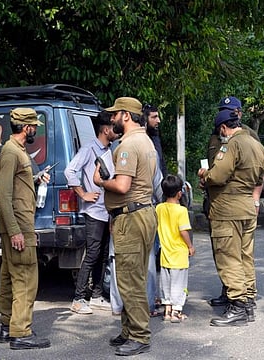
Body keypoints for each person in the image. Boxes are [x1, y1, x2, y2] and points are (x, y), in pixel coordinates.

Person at [93, 97, 157, 357]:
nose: (112, 120)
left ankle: (139, 335)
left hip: (131, 218)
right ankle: (129, 331)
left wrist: (99, 180)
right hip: (138, 214)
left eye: (115, 115)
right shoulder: (146, 141)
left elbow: (122, 186)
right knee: (133, 275)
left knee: (130, 280)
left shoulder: (129, 145)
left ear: (126, 116)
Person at [198, 109, 264, 326]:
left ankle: (237, 305)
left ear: (223, 128)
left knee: (228, 256)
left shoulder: (231, 144)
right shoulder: (258, 145)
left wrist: (204, 175)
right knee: (245, 256)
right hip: (247, 204)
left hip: (228, 209)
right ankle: (247, 302)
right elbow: (260, 177)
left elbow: (218, 176)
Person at [0, 107, 51, 350]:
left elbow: (16, 186)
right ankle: (20, 332)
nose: (35, 130)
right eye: (34, 127)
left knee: (9, 277)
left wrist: (36, 179)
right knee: (26, 278)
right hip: (19, 224)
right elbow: (3, 195)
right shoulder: (11, 152)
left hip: (16, 223)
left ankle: (8, 326)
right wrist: (16, 230)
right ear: (26, 127)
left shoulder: (17, 151)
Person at [65, 110, 118, 315]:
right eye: (114, 127)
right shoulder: (89, 149)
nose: (117, 131)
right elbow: (69, 171)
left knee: (103, 255)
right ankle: (78, 299)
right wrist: (82, 193)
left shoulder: (111, 149)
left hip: (107, 211)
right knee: (92, 254)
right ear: (105, 129)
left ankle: (96, 296)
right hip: (94, 212)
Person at [156, 175, 195, 323]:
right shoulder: (181, 211)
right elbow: (183, 231)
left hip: (165, 252)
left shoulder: (159, 208)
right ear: (179, 193)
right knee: (179, 284)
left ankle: (167, 310)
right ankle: (176, 311)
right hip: (179, 254)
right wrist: (190, 246)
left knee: (165, 282)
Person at [143, 104, 167, 317]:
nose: (158, 121)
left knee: (154, 254)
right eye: (154, 117)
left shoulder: (154, 138)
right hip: (148, 203)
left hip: (157, 200)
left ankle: (152, 297)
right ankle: (148, 302)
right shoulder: (143, 142)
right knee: (149, 257)